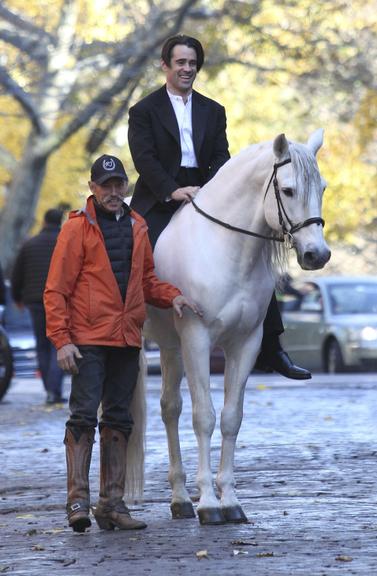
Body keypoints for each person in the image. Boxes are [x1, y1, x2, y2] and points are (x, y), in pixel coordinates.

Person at [128, 33, 310, 380]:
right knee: (139, 247)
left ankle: (272, 347)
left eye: (192, 64)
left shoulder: (214, 110)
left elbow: (220, 157)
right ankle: (130, 323)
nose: (187, 69)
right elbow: (144, 159)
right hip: (160, 194)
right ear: (165, 65)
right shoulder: (144, 111)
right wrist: (172, 190)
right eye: (180, 62)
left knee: (253, 255)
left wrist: (212, 191)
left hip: (209, 191)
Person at [44, 154, 200, 533]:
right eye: (106, 186)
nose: (113, 192)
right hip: (87, 339)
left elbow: (146, 281)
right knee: (83, 417)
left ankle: (111, 504)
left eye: (119, 185)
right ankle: (77, 501)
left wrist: (172, 295)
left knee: (118, 419)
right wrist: (62, 341)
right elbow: (56, 290)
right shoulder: (76, 229)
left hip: (127, 337)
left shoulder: (138, 226)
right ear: (93, 188)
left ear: (125, 188)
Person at [11, 208, 66, 404]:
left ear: (44, 222)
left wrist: (17, 298)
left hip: (34, 300)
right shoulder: (65, 241)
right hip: (60, 300)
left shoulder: (29, 245)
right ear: (60, 221)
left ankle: (49, 389)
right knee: (58, 343)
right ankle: (55, 389)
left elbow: (17, 274)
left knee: (42, 344)